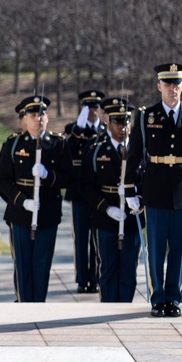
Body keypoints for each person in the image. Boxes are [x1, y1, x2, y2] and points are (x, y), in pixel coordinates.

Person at [124, 63, 182, 317]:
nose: (173, 89)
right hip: (155, 190)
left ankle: (173, 298)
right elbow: (135, 155)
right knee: (156, 249)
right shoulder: (145, 116)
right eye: (168, 84)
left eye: (177, 84)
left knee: (178, 249)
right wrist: (130, 189)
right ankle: (157, 298)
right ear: (159, 86)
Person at [0, 95, 71, 302]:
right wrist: (22, 201)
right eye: (33, 115)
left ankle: (39, 304)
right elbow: (1, 181)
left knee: (42, 263)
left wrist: (48, 175)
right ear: (24, 119)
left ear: (47, 118)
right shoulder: (13, 144)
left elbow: (70, 178)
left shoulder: (59, 144)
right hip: (20, 214)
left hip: (48, 213)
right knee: (22, 262)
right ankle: (24, 303)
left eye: (42, 114)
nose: (38, 119)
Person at [80, 98, 142, 302]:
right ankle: (107, 308)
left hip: (131, 217)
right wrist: (106, 208)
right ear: (108, 122)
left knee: (128, 270)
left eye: (126, 121)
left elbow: (149, 181)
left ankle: (124, 307)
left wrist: (139, 199)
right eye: (118, 121)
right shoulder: (96, 148)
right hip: (105, 218)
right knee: (106, 268)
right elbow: (86, 186)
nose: (123, 127)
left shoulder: (138, 149)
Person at [64, 90, 107, 293]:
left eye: (95, 106)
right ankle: (82, 279)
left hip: (99, 194)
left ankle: (97, 277)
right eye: (88, 107)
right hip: (79, 193)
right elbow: (67, 150)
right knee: (81, 237)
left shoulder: (106, 131)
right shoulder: (73, 129)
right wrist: (78, 129)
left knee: (97, 238)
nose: (92, 111)